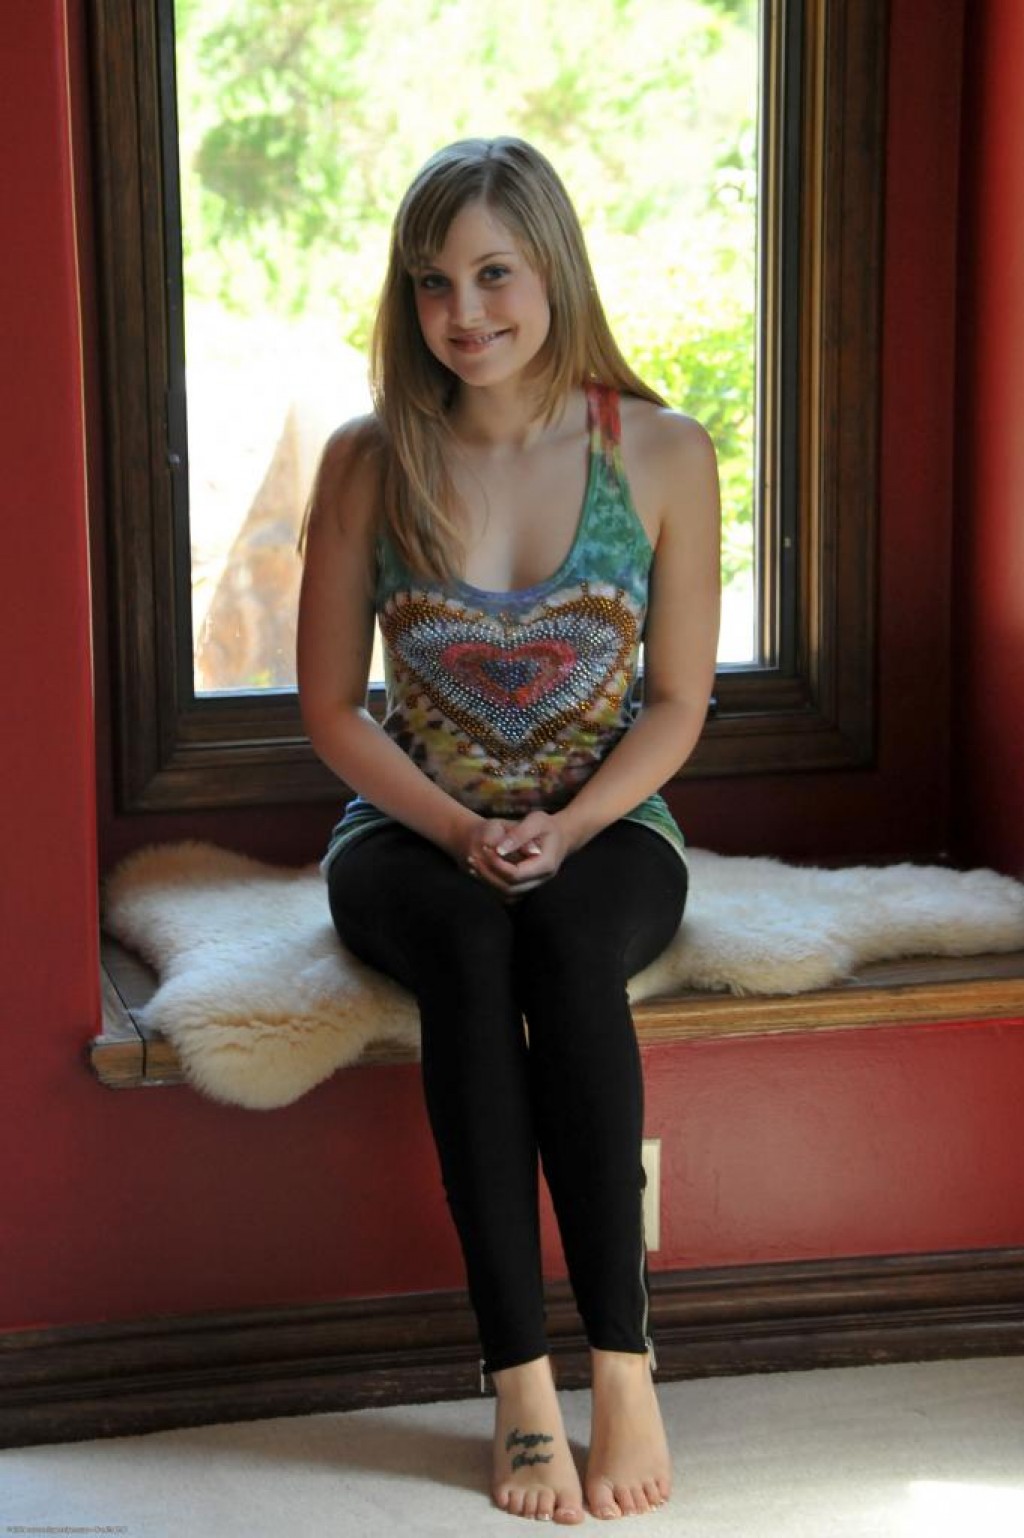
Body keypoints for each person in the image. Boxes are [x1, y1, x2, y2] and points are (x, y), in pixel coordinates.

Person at [297, 136, 721, 1524]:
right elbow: (332, 712)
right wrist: (459, 833)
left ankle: (625, 1364)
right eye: (432, 282)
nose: (463, 311)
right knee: (473, 954)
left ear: (554, 272)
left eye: (493, 274)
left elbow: (676, 702)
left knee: (566, 948)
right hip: (405, 831)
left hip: (611, 824)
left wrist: (572, 825)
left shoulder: (661, 452)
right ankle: (520, 1379)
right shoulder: (367, 461)